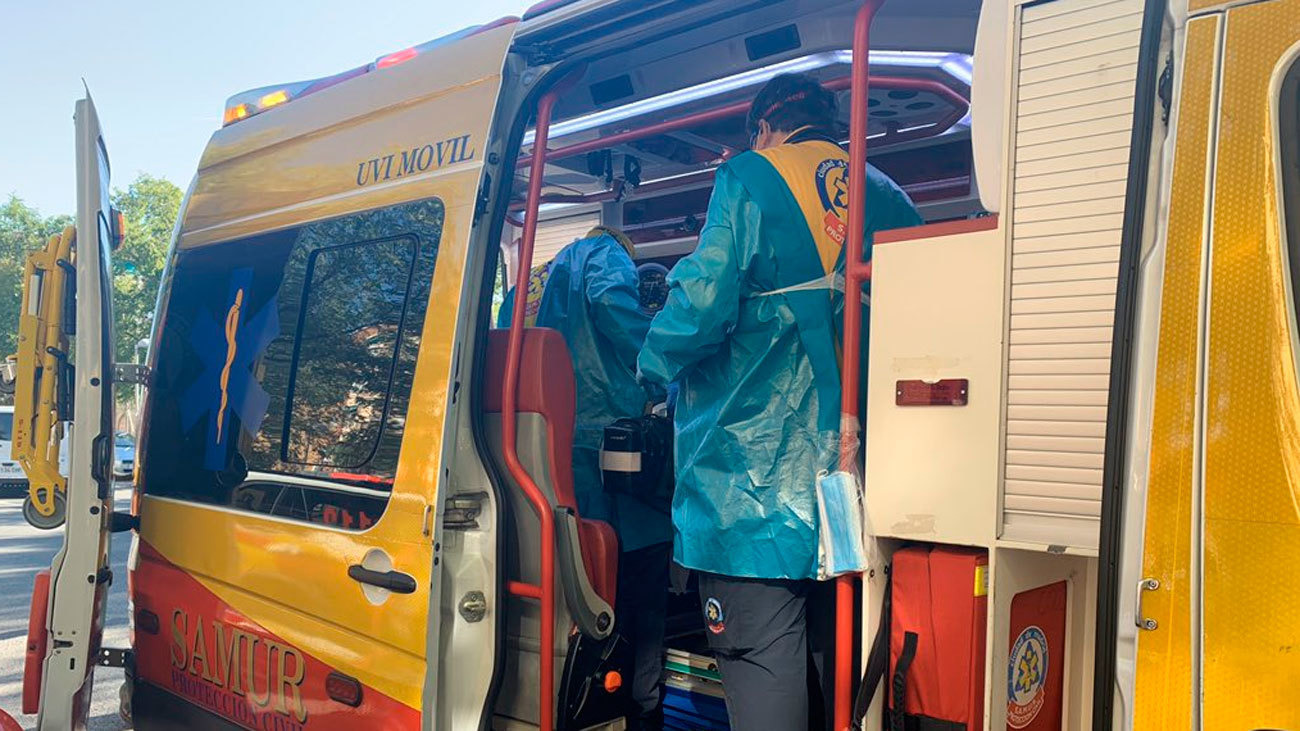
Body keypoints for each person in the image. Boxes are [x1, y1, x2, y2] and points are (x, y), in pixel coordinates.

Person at [636, 73, 921, 730]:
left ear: (765, 128)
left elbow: (701, 307)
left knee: (767, 680)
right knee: (843, 675)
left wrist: (648, 368)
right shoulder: (889, 196)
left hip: (752, 503)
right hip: (858, 494)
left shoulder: (750, 178)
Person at [498, 226, 673, 730]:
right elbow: (616, 310)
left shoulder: (530, 283)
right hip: (616, 464)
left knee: (574, 607)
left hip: (544, 464)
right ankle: (640, 715)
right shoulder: (605, 254)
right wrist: (673, 368)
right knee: (638, 612)